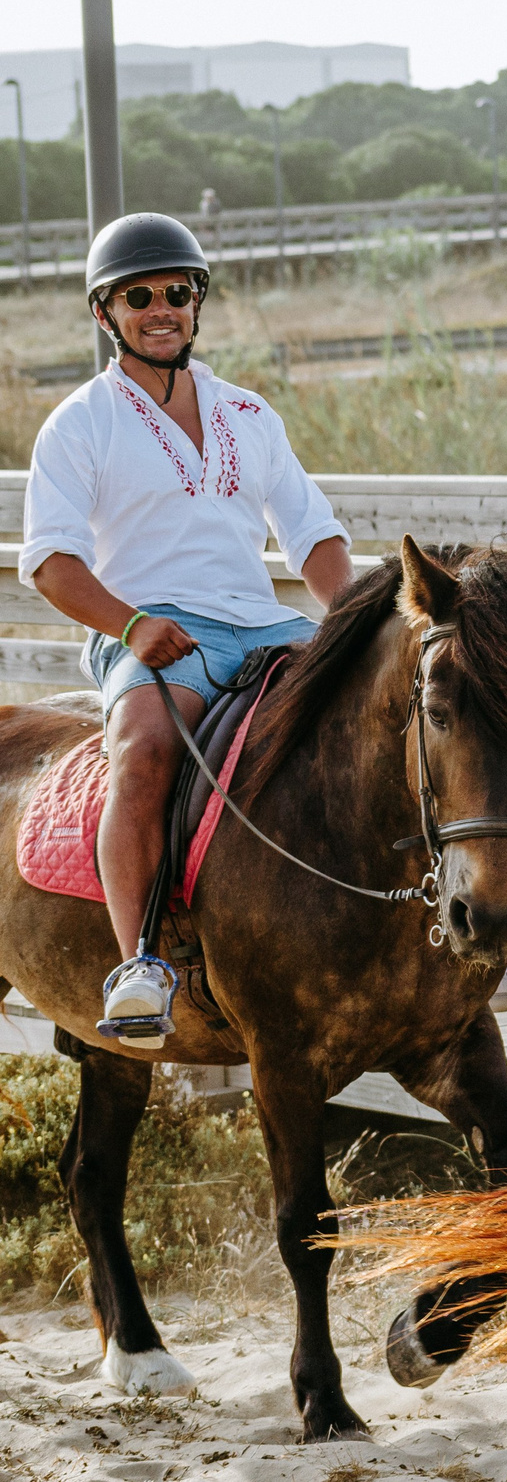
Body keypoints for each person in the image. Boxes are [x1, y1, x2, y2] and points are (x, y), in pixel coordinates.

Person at [20, 213, 353, 1047]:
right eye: (140, 295)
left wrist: (354, 619)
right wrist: (131, 625)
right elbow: (51, 562)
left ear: (197, 303)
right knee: (145, 747)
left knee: (386, 719)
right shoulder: (80, 422)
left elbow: (311, 536)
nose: (162, 307)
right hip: (147, 628)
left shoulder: (249, 412)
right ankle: (136, 962)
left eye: (178, 291)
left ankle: (443, 943)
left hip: (266, 625)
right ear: (106, 313)